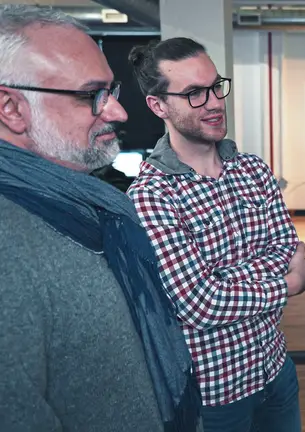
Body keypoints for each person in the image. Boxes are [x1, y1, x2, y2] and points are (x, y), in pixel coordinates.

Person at [0, 5, 201, 432]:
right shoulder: (10, 249)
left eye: (112, 91)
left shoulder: (93, 205)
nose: (118, 113)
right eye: (91, 95)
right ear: (11, 108)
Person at [126, 37, 305, 432]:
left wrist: (229, 281)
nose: (213, 102)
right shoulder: (151, 195)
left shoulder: (253, 170)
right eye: (194, 93)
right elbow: (201, 304)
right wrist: (286, 286)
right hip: (214, 396)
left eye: (215, 86)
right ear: (158, 105)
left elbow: (285, 247)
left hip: (276, 369)